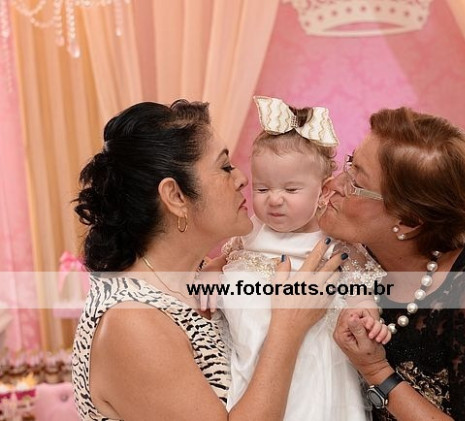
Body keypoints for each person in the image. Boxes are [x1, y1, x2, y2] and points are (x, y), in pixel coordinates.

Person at [71, 99, 346, 421]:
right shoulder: (132, 321)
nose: (242, 179)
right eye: (225, 167)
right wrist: (287, 329)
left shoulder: (209, 274)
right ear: (176, 196)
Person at [321, 107, 465, 421]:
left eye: (355, 182)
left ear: (408, 221)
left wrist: (377, 372)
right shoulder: (357, 255)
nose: (333, 184)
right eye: (350, 163)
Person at [219, 96, 388, 421]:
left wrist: (366, 317)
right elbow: (221, 265)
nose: (274, 200)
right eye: (262, 189)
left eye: (290, 190)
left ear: (323, 191)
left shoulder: (334, 241)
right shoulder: (250, 232)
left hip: (319, 366)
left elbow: (361, 290)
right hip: (257, 359)